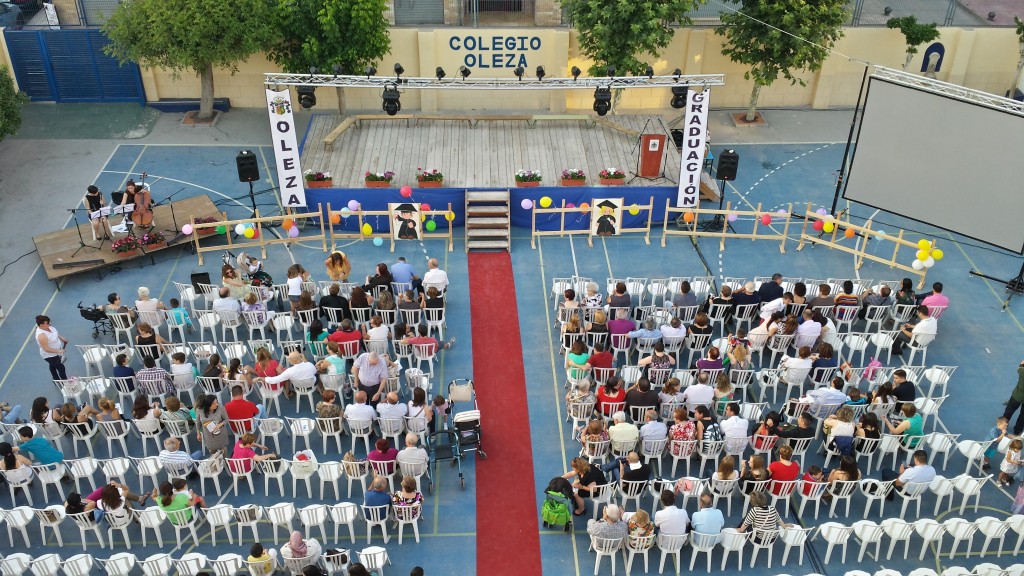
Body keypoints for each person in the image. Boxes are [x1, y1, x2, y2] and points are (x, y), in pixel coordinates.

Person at [35, 315, 68, 381]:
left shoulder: (47, 326)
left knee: (52, 365)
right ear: (41, 325)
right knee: (61, 367)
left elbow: (54, 334)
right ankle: (65, 382)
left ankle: (55, 378)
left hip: (56, 352)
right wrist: (59, 351)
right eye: (47, 323)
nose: (50, 323)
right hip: (50, 355)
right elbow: (46, 349)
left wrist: (61, 338)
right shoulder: (41, 336)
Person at [1003, 361, 1024, 437]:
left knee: (1009, 411)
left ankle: (1002, 427)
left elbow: (1019, 367)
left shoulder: (1022, 371)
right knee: (1023, 416)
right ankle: (1017, 431)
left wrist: (1022, 363)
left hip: (1017, 396)